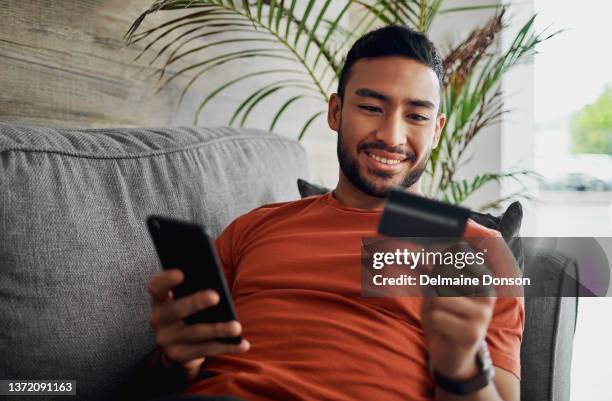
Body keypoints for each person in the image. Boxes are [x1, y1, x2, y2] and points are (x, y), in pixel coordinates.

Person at [144, 25, 524, 401]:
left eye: (417, 117)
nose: (392, 136)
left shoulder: (480, 252)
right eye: (372, 108)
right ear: (336, 111)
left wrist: (461, 367)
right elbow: (176, 368)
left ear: (437, 130)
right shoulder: (253, 228)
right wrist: (176, 361)